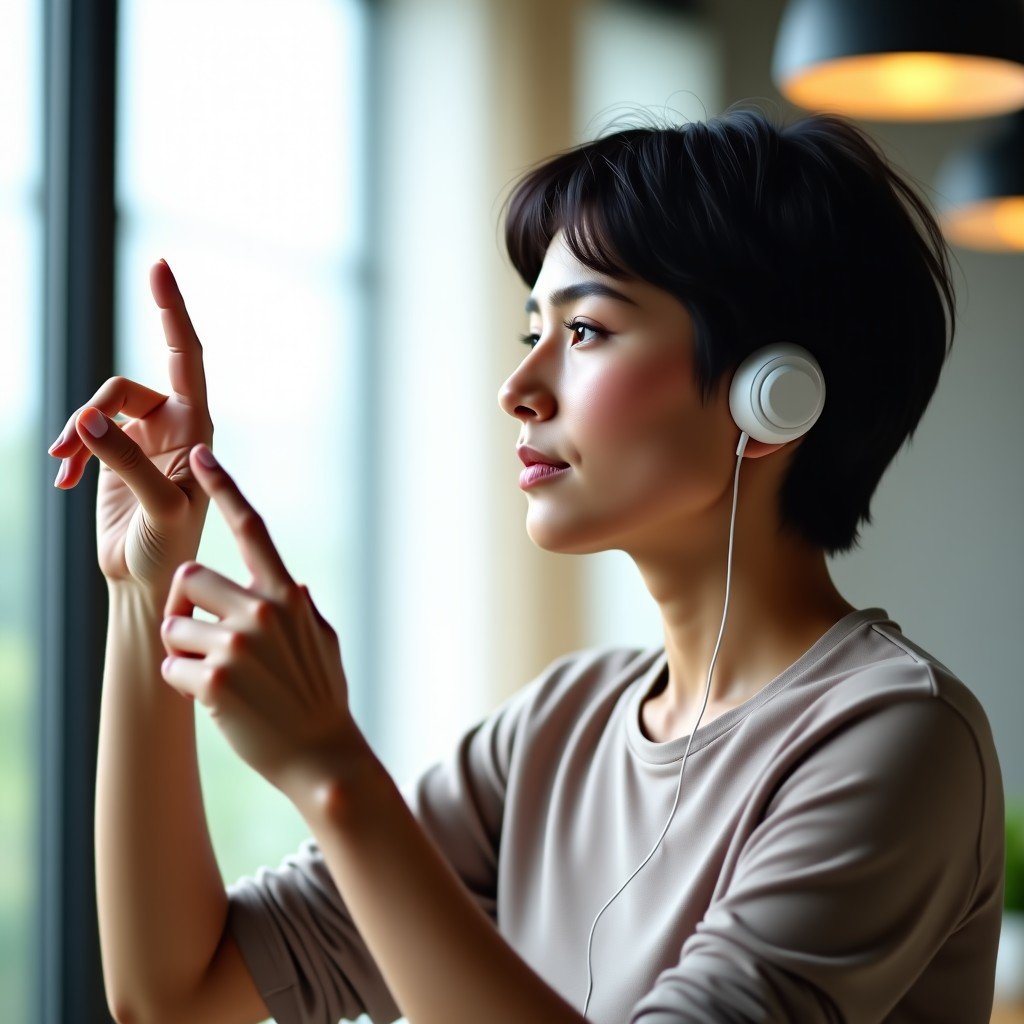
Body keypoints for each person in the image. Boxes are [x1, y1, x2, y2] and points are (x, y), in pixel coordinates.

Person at [53, 107, 1004, 1024]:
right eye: (530, 332)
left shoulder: (896, 739)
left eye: (584, 331)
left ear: (772, 399)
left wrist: (334, 772)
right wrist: (144, 591)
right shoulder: (557, 728)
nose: (518, 388)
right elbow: (178, 993)